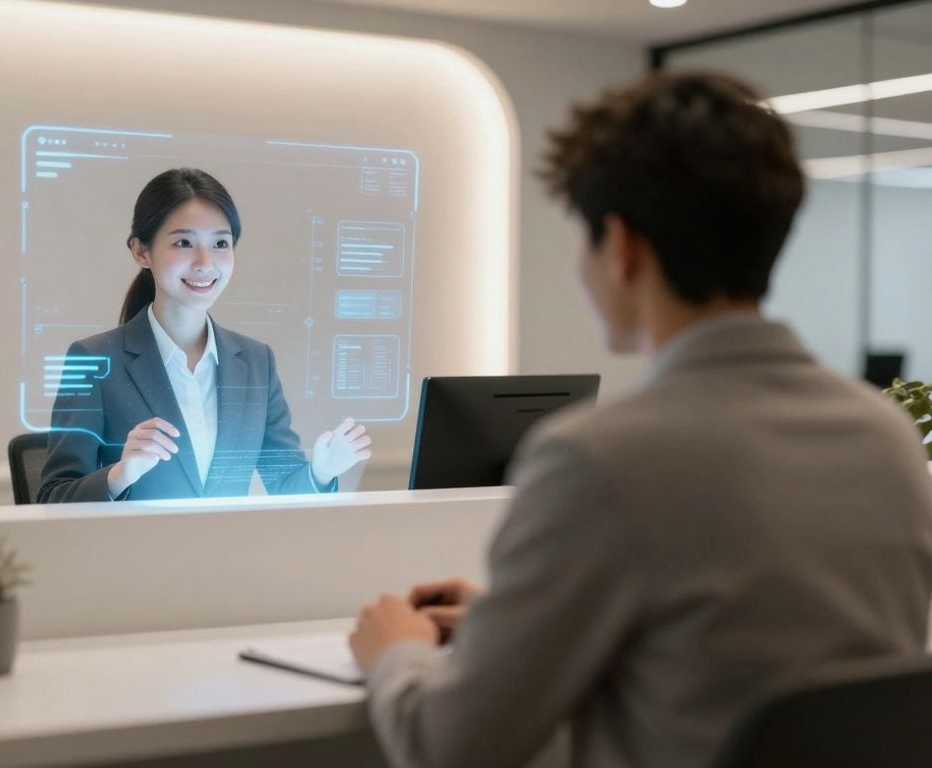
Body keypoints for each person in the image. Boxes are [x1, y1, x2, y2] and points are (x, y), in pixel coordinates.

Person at [348, 71, 932, 768]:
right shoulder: (885, 436)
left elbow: (447, 747)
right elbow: (749, 654)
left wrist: (398, 652)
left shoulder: (598, 460)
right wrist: (523, 625)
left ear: (620, 246)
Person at [38, 168, 370, 502]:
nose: (205, 262)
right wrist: (121, 474)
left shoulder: (257, 362)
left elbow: (285, 485)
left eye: (220, 243)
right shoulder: (93, 359)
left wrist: (322, 471)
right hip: (137, 552)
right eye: (183, 242)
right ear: (141, 251)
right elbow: (54, 498)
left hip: (230, 552)